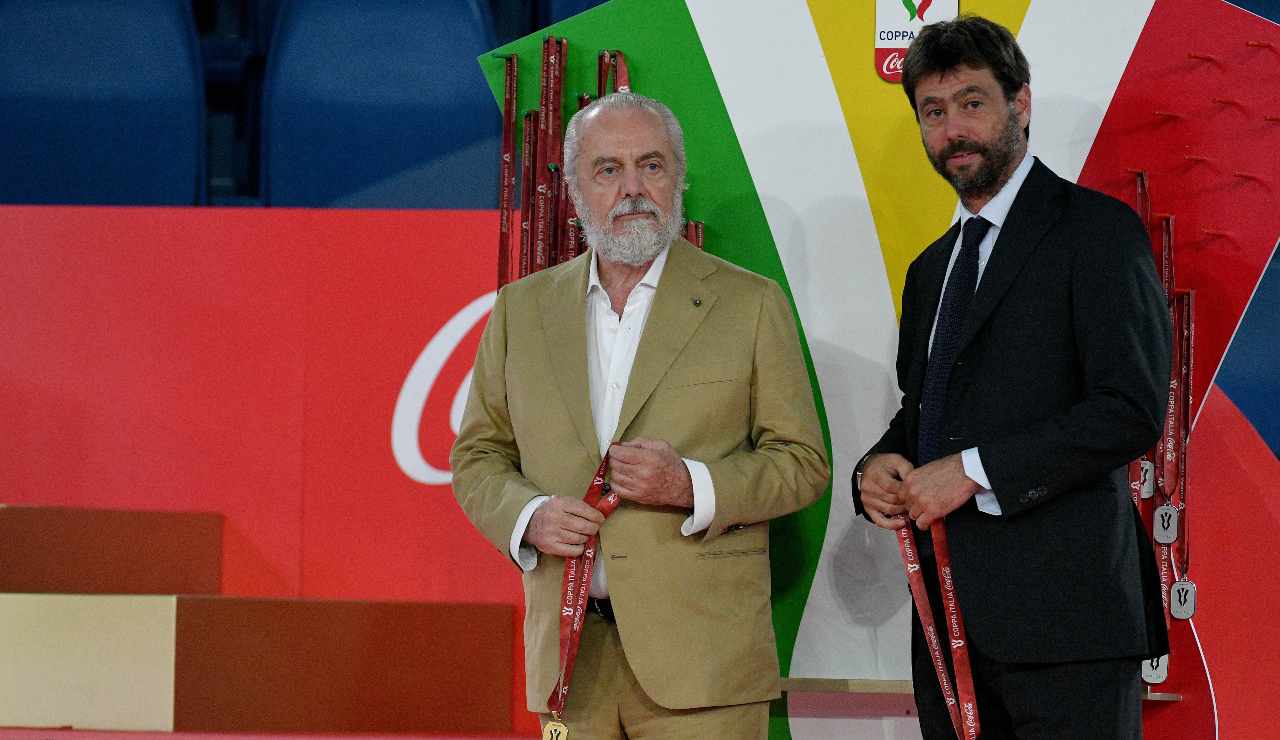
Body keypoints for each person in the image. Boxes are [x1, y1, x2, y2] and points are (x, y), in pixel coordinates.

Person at [451, 91, 829, 739]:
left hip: (705, 668)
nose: (632, 188)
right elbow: (477, 456)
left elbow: (802, 464)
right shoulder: (520, 310)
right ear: (574, 192)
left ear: (678, 179)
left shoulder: (750, 303)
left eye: (651, 165)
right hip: (570, 665)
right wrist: (528, 515)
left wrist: (692, 485)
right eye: (608, 170)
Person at [853, 15, 1171, 739]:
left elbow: (1129, 408)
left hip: (1072, 632)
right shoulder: (930, 270)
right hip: (948, 630)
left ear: (1020, 103)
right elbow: (925, 412)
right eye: (934, 112)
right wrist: (877, 466)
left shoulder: (1097, 232)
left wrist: (972, 471)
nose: (953, 129)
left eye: (972, 102)